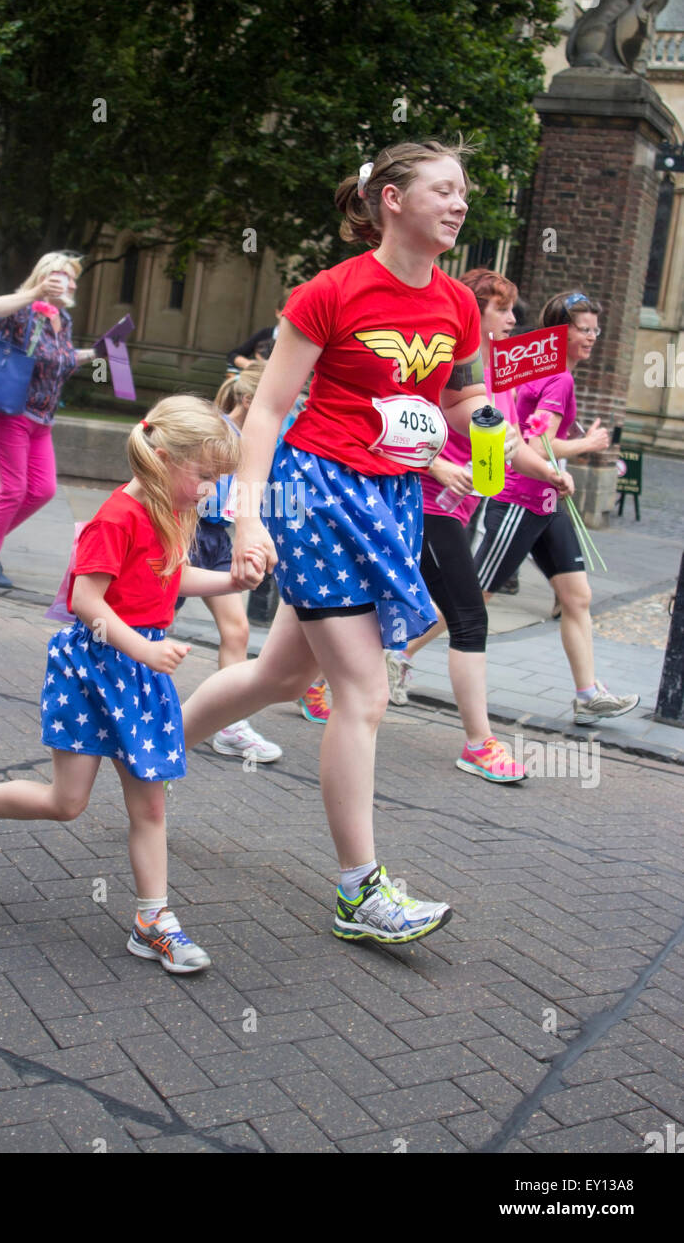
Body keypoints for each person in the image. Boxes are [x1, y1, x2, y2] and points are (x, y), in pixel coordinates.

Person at [181, 138, 519, 947]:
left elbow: (465, 401)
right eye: (442, 188)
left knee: (280, 671)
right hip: (316, 495)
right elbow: (266, 411)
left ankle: (148, 742)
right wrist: (253, 513)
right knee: (363, 693)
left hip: (392, 497)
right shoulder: (329, 292)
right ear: (392, 200)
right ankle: (359, 891)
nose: (459, 202)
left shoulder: (456, 305)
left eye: (463, 191)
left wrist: (477, 459)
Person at [0, 396, 265, 975]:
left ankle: (152, 921)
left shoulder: (173, 508)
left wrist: (229, 578)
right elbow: (86, 601)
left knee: (151, 805)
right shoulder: (117, 516)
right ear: (162, 459)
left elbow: (171, 575)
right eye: (205, 476)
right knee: (68, 802)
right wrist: (144, 647)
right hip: (94, 669)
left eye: (218, 478)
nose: (211, 489)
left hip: (140, 670)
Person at [385, 269, 573, 782]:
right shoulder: (443, 371)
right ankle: (478, 743)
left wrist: (551, 474)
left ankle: (311, 678)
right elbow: (394, 429)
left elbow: (510, 446)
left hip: (460, 509)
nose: (514, 319)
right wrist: (436, 466)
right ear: (473, 314)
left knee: (367, 606)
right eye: (502, 309)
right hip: (426, 506)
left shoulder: (497, 381)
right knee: (470, 617)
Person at [472, 290, 639, 725]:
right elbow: (534, 445)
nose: (593, 338)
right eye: (584, 330)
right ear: (560, 333)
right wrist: (588, 444)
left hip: (549, 502)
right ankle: (398, 655)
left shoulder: (547, 371)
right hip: (520, 499)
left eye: (595, 330)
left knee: (576, 596)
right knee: (474, 597)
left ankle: (587, 695)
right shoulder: (556, 378)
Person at [0, 252, 97, 589]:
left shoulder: (63, 319)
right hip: (8, 412)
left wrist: (97, 352)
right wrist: (35, 292)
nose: (69, 283)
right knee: (13, 489)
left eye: (72, 278)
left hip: (42, 419)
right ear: (44, 275)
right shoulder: (21, 310)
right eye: (61, 275)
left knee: (42, 490)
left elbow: (62, 361)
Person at [180, 363, 283, 763]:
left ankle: (230, 726)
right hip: (185, 532)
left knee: (237, 630)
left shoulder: (265, 440)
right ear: (246, 400)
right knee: (148, 625)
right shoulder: (215, 429)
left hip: (218, 538)